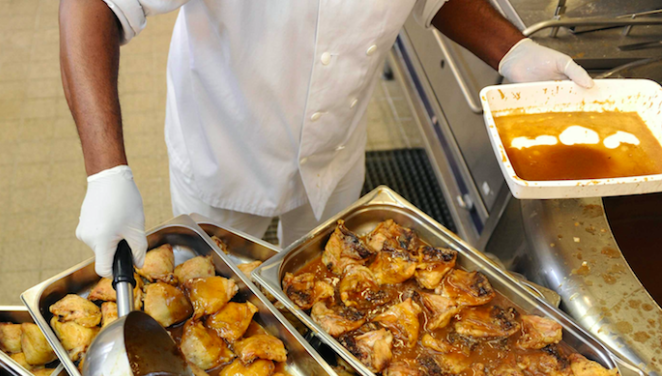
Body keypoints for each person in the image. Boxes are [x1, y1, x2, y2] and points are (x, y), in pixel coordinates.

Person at [60, 0, 592, 276]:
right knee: (208, 288)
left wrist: (513, 51)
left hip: (334, 151)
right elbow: (97, 7)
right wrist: (107, 174)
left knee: (323, 281)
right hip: (226, 141)